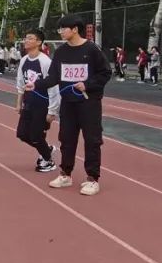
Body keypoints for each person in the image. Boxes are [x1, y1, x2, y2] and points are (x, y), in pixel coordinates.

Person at [26, 15, 112, 196]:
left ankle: (92, 179)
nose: (60, 32)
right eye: (59, 29)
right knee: (66, 139)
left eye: (63, 28)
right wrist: (36, 85)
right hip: (68, 103)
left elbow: (105, 72)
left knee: (92, 140)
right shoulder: (61, 52)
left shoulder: (91, 49)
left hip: (89, 103)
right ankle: (65, 174)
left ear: (75, 29)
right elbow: (53, 77)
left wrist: (87, 85)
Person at [14, 29, 60, 173]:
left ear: (39, 42)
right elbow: (20, 83)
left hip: (42, 105)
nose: (26, 40)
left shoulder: (45, 61)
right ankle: (47, 149)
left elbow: (53, 87)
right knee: (22, 134)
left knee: (36, 135)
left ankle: (48, 161)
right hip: (28, 103)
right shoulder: (24, 60)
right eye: (25, 38)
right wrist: (18, 103)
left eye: (30, 38)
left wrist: (52, 111)